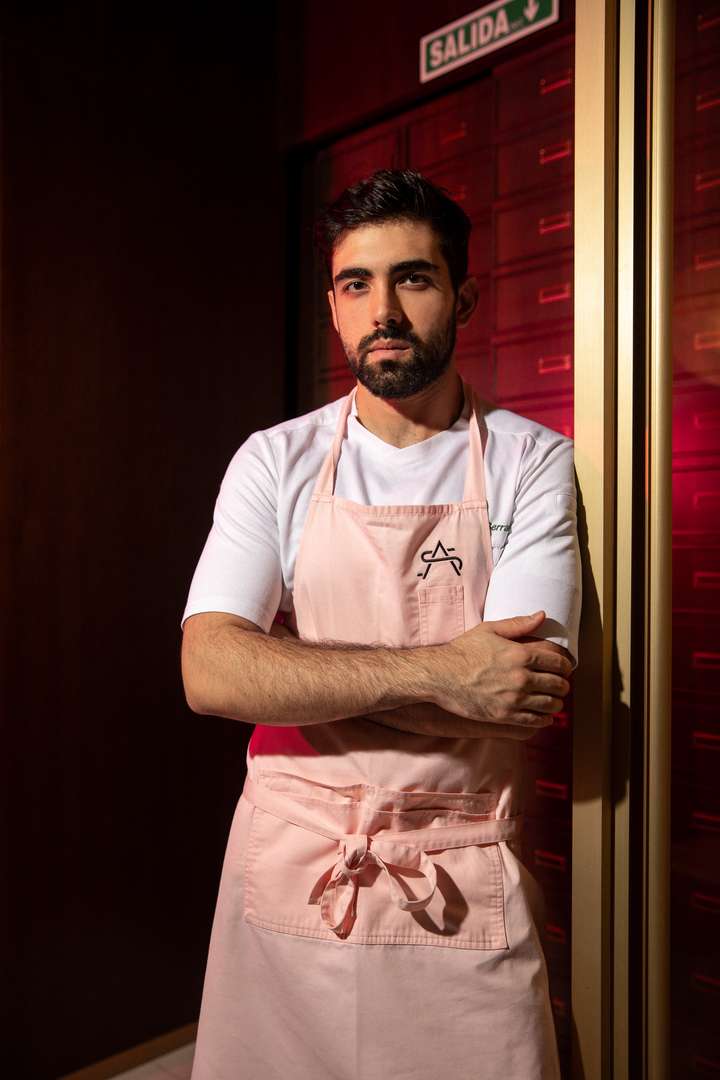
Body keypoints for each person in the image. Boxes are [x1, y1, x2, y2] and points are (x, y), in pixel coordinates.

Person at [181, 169, 581, 1080]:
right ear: (333, 306)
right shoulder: (274, 460)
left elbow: (517, 700)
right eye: (356, 284)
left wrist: (291, 674)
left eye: (414, 278)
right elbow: (211, 672)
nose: (384, 311)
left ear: (463, 298)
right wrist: (444, 674)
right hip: (290, 872)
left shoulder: (531, 461)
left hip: (456, 876)